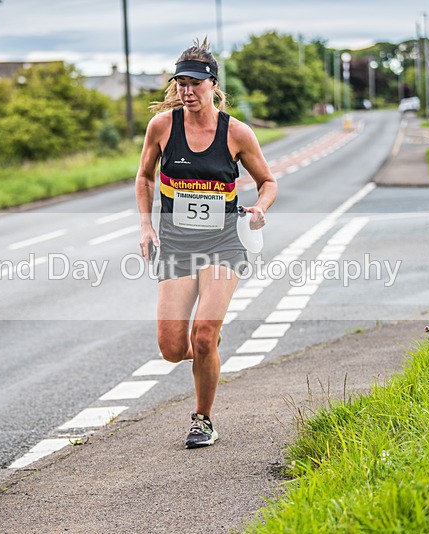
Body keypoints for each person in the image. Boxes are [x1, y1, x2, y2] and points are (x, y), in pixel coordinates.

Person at [135, 37, 277, 448]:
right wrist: (146, 226)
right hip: (177, 245)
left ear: (213, 85)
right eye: (181, 83)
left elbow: (268, 182)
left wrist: (260, 207)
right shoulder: (162, 127)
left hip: (223, 243)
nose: (187, 91)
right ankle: (208, 346)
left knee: (201, 335)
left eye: (196, 83)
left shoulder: (237, 132)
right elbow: (144, 177)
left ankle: (203, 419)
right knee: (171, 347)